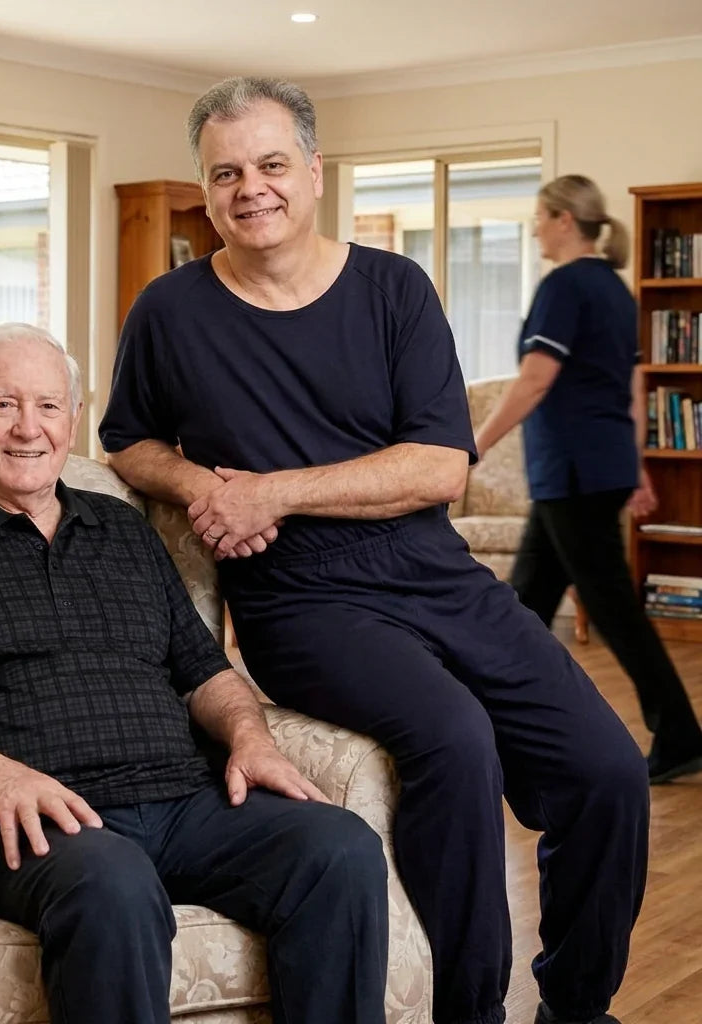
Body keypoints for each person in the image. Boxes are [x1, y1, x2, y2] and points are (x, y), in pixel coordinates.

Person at [99, 77, 648, 1024]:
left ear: (313, 173)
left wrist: (272, 490)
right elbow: (128, 442)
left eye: (272, 165)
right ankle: (467, 1010)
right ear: (205, 189)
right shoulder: (170, 311)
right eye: (225, 173)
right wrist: (203, 489)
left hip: (435, 574)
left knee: (607, 771)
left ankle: (577, 1004)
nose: (251, 189)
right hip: (298, 602)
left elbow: (440, 469)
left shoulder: (394, 289)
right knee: (455, 739)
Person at [0, 322, 390, 1024]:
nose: (29, 428)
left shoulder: (123, 530)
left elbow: (206, 672)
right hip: (35, 822)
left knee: (339, 848)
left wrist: (251, 738)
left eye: (49, 407)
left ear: (74, 420)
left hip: (183, 802)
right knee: (113, 883)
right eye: (3, 405)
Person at [473, 174, 702, 785]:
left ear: (565, 221)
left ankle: (678, 730)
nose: (535, 227)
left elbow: (534, 381)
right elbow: (632, 392)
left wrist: (473, 445)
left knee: (609, 609)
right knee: (524, 605)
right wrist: (636, 468)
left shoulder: (565, 286)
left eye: (540, 217)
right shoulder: (614, 290)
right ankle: (499, 731)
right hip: (589, 472)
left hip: (572, 473)